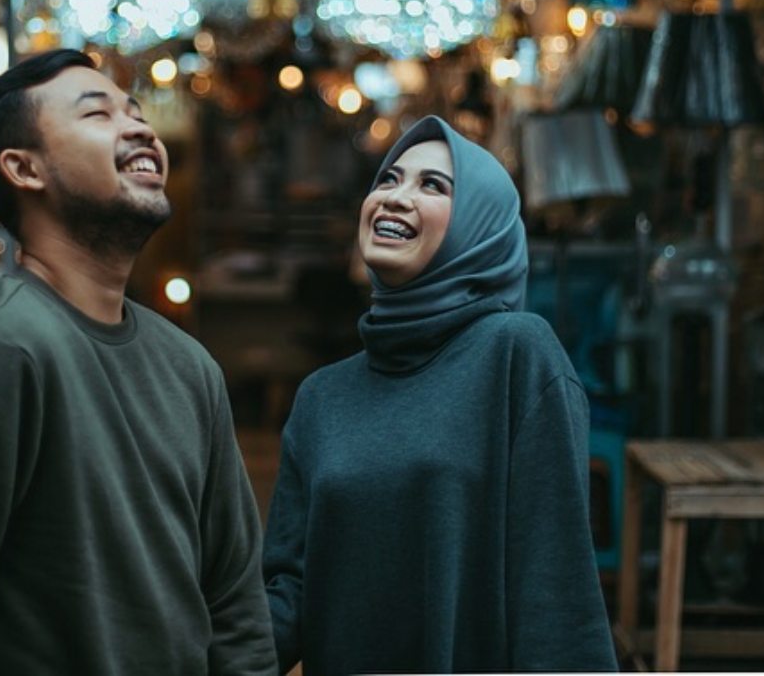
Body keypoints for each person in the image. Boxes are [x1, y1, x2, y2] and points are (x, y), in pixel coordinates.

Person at [0, 48, 277, 676]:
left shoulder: (190, 367)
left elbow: (236, 604)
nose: (138, 127)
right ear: (25, 169)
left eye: (135, 111)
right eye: (98, 113)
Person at [262, 115, 616, 675]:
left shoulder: (515, 354)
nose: (396, 197)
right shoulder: (321, 397)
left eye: (433, 185)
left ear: (481, 227)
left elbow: (554, 585)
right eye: (388, 179)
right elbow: (289, 592)